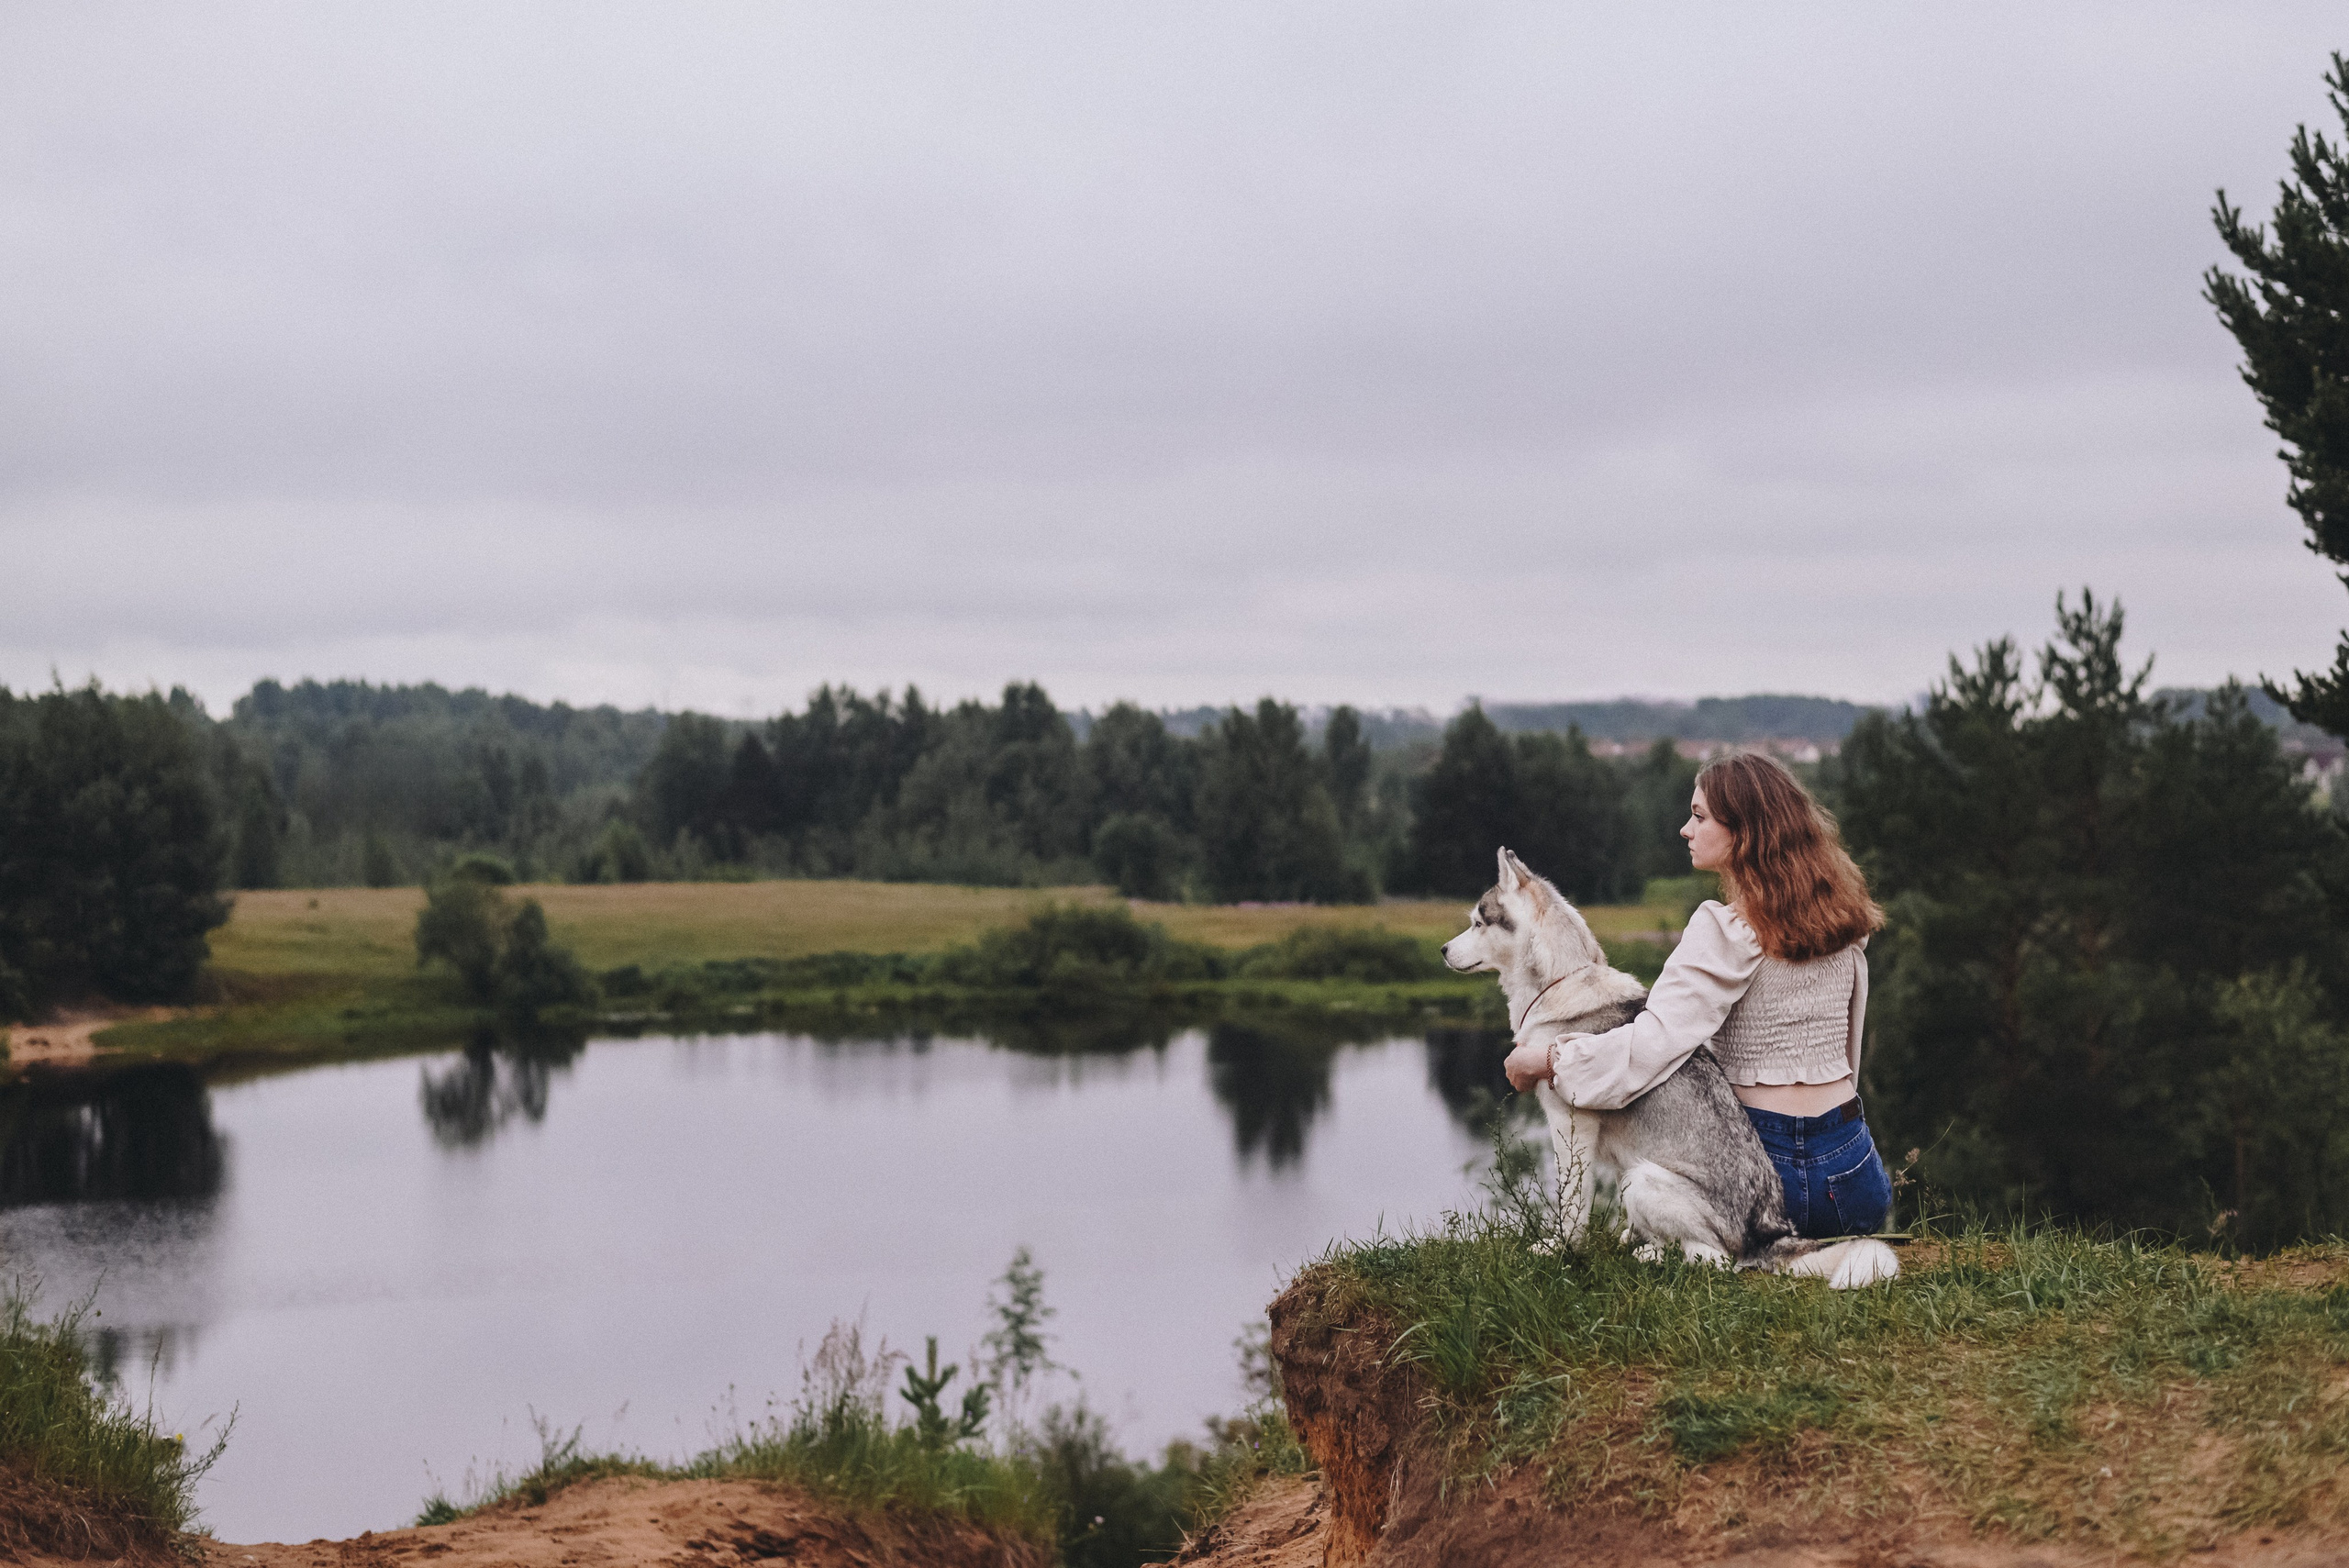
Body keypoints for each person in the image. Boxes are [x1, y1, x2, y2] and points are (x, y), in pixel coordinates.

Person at [1501, 751, 1894, 1240]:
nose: (1686, 829)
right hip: (1856, 1172)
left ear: (1744, 832)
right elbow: (1849, 1052)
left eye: (1700, 816)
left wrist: (1549, 1060)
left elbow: (1651, 1045)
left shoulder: (1728, 929)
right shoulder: (1843, 924)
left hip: (1767, 1179)